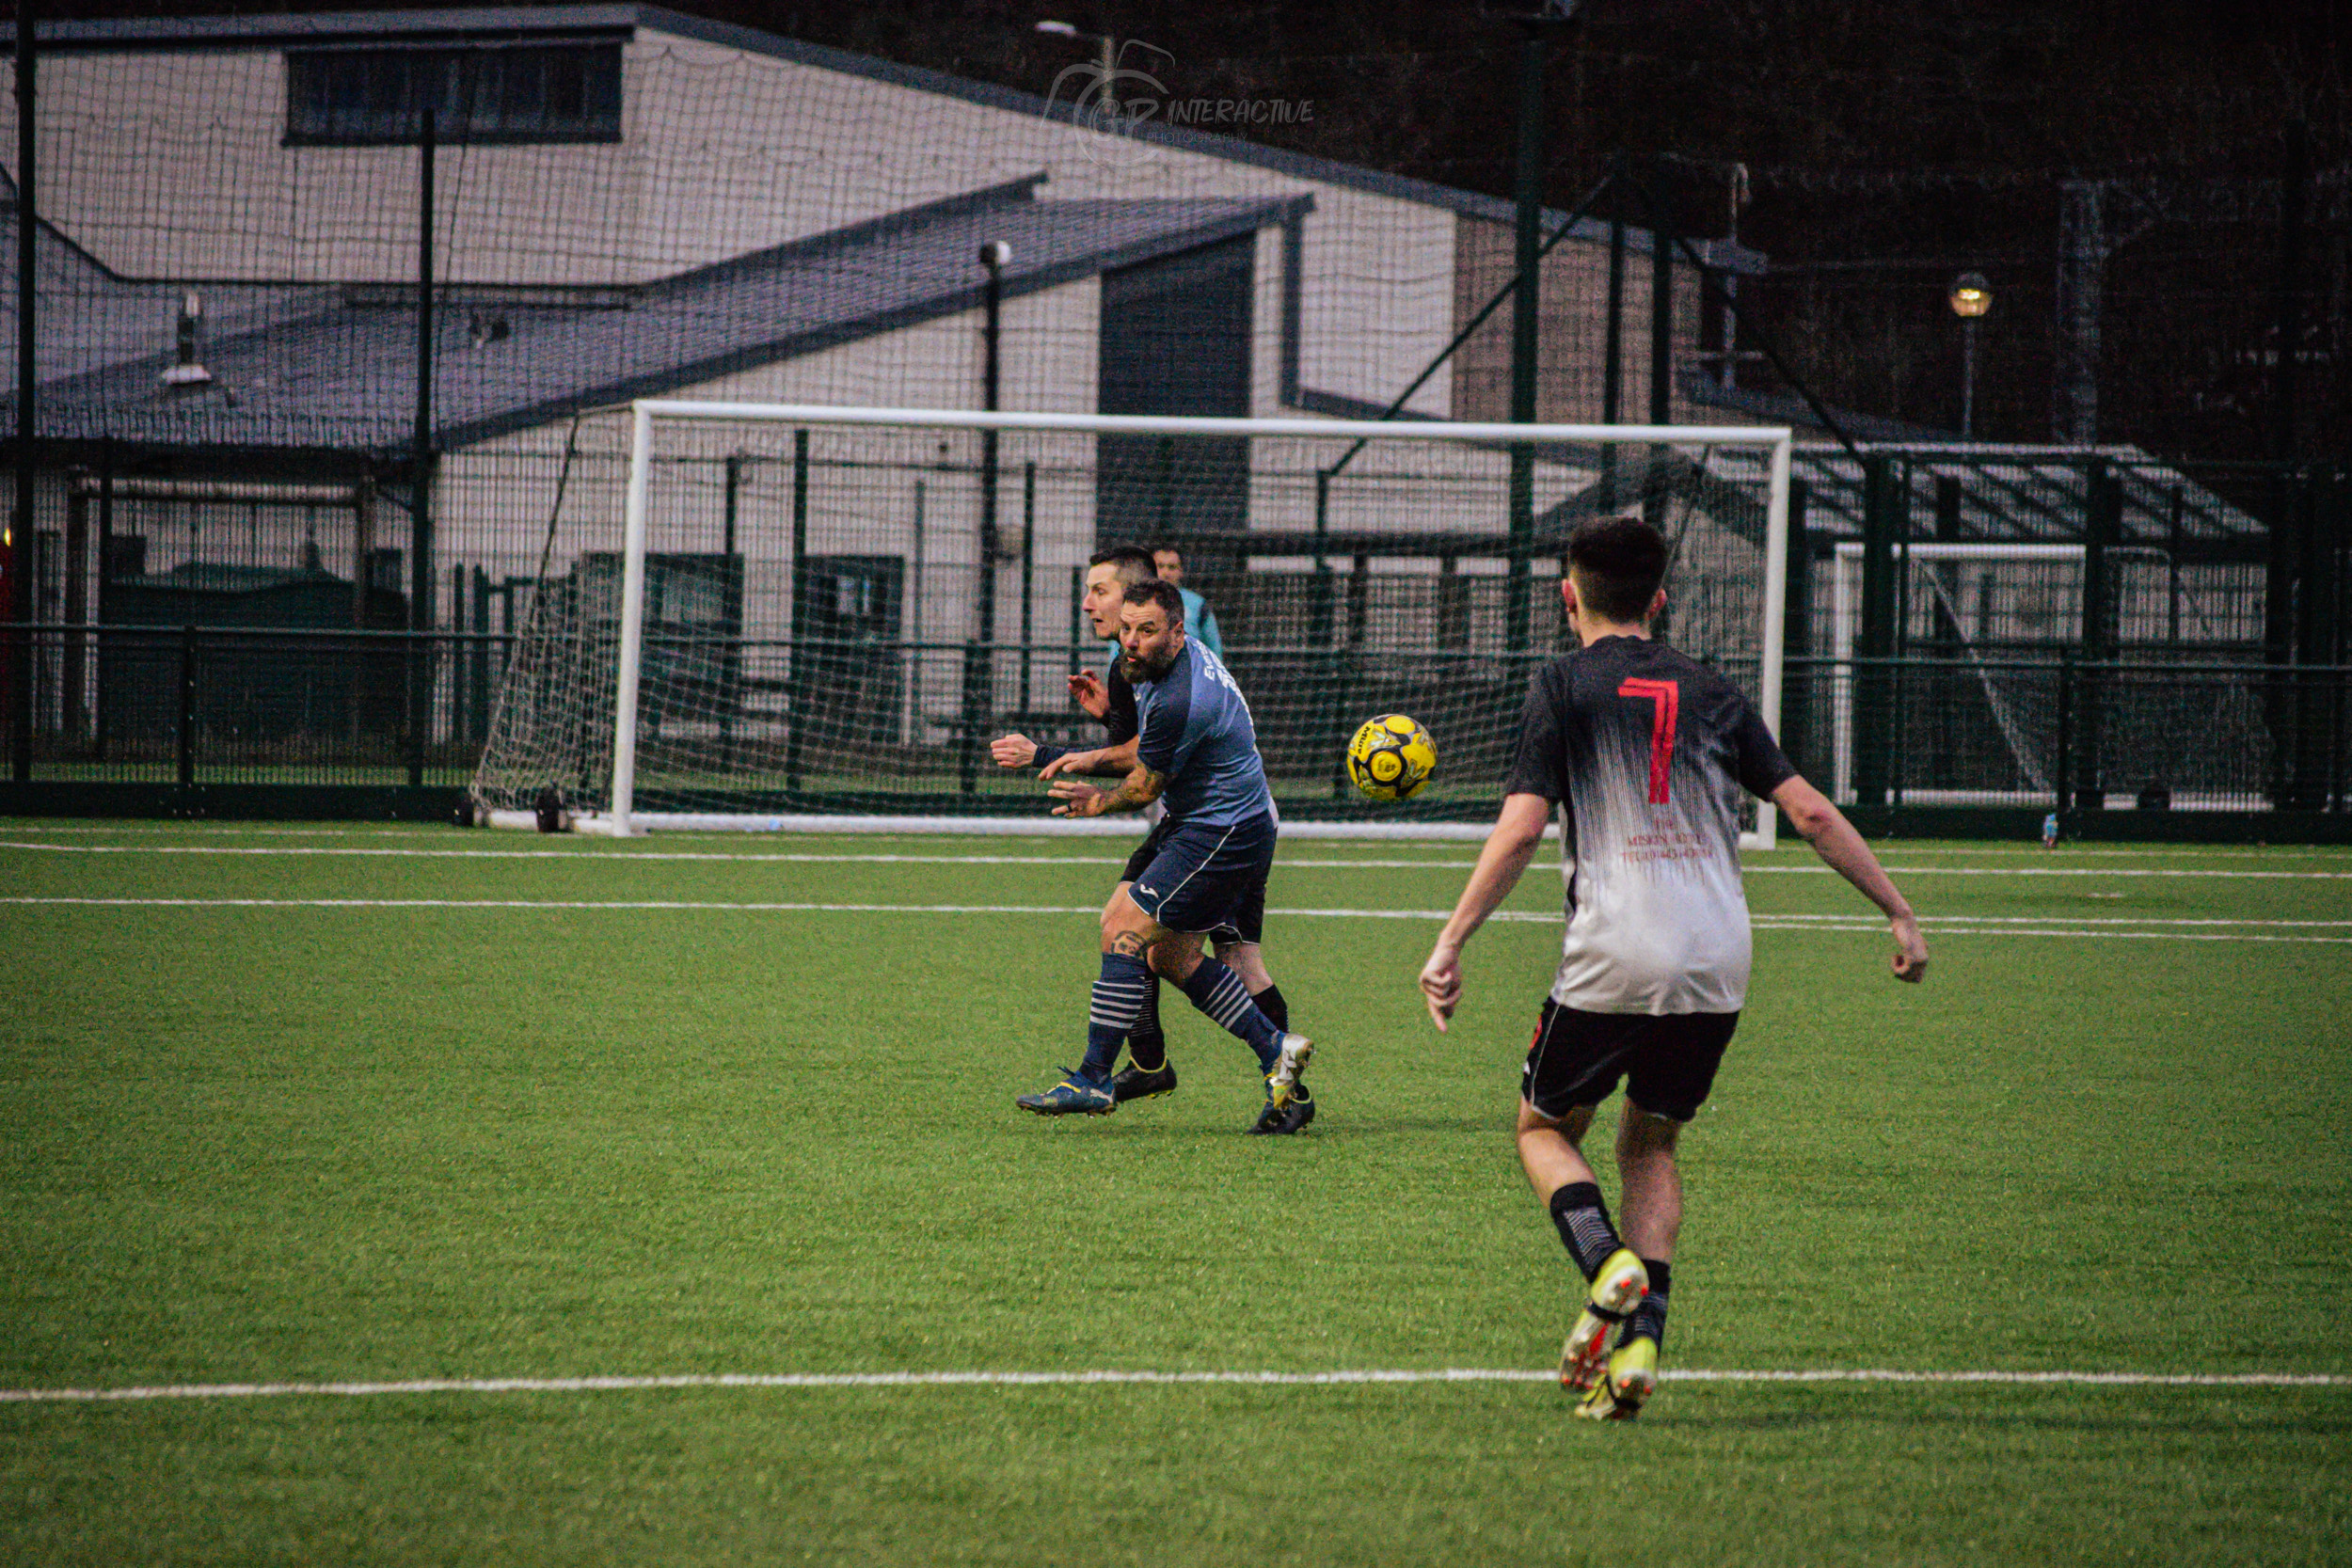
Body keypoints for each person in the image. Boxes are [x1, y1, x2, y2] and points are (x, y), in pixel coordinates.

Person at [1417, 515, 1928, 1422]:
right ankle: (1641, 1340)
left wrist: (1452, 939)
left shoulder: (1561, 684)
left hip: (1616, 948)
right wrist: (1895, 909)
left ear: (1566, 595)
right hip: (1717, 958)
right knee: (1650, 1143)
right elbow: (1808, 811)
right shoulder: (1715, 690)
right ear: (1659, 599)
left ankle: (1604, 1264)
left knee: (1543, 1129)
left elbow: (1523, 826)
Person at [991, 552, 1310, 1132]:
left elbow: (1143, 783)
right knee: (1174, 955)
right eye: (1128, 630)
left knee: (1125, 932)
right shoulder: (1157, 669)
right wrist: (1107, 725)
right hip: (1212, 822)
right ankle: (1277, 1057)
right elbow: (1143, 749)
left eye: (1145, 631)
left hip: (1223, 831)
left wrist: (1093, 798)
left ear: (1177, 630)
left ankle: (1092, 1077)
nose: (1131, 641)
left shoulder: (1183, 695)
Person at [1151, 544, 1224, 662]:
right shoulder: (1135, 602)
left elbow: (1214, 649)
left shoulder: (1198, 605)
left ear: (1181, 571)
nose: (1166, 573)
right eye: (1160, 566)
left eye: (1172, 567)